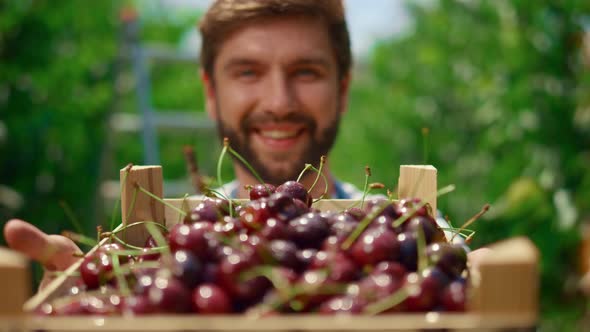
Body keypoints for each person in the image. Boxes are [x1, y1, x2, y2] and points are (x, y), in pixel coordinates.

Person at [3, 0, 490, 290]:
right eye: (248, 72)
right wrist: (90, 299)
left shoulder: (416, 237)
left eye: (306, 71)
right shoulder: (158, 249)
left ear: (343, 89)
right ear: (211, 94)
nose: (278, 102)